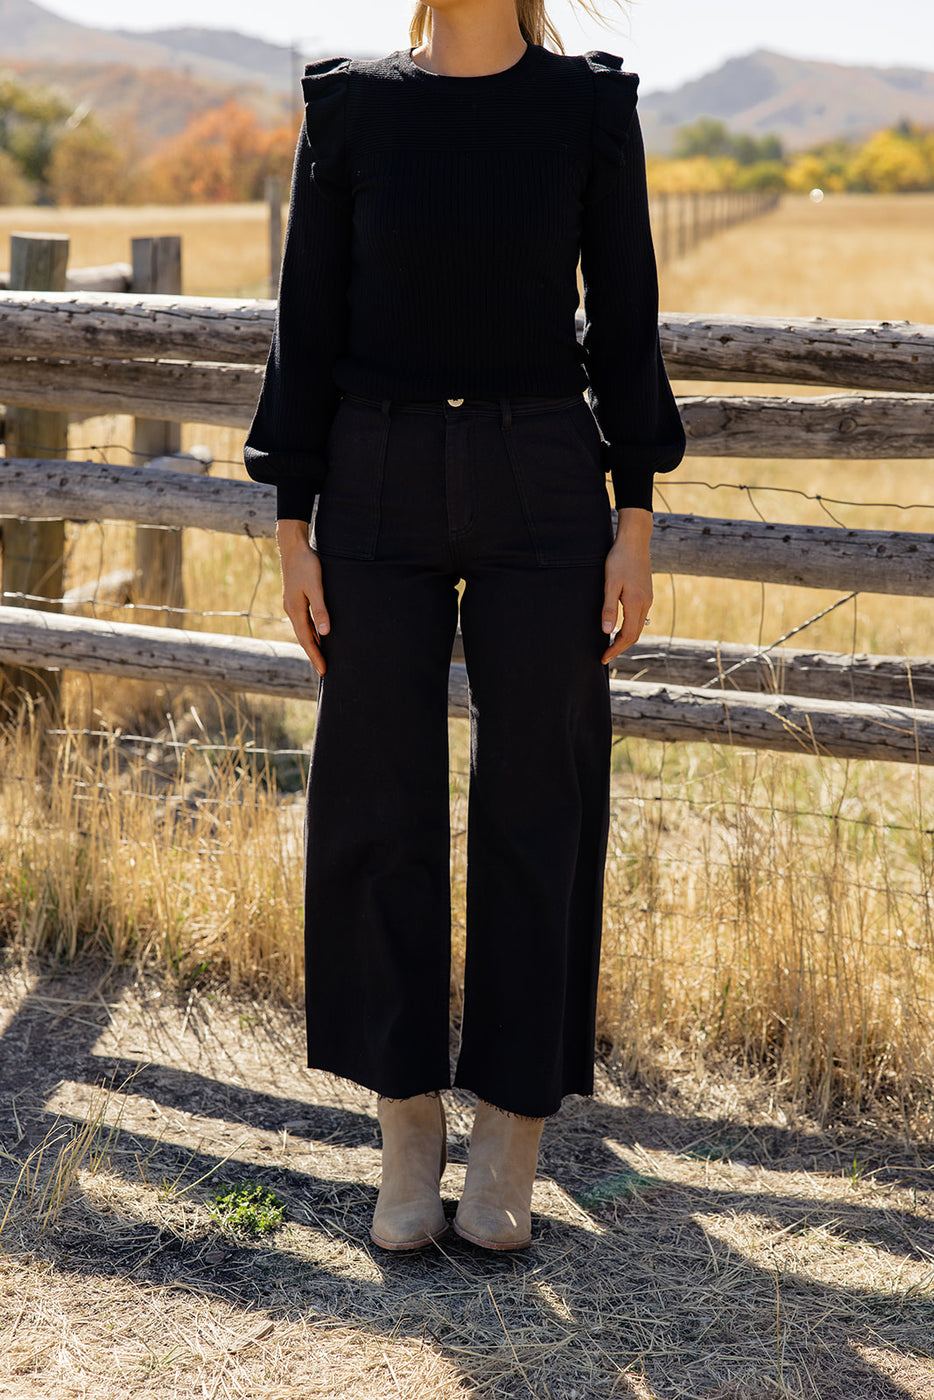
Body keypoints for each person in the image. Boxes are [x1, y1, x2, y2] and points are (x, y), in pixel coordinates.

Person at [243, 0, 685, 1253]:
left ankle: (511, 1128)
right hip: (372, 477)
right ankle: (405, 1122)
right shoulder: (351, 105)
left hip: (544, 471)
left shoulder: (589, 106)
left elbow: (627, 313)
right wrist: (291, 523)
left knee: (539, 791)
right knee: (376, 793)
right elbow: (306, 318)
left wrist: (635, 512)